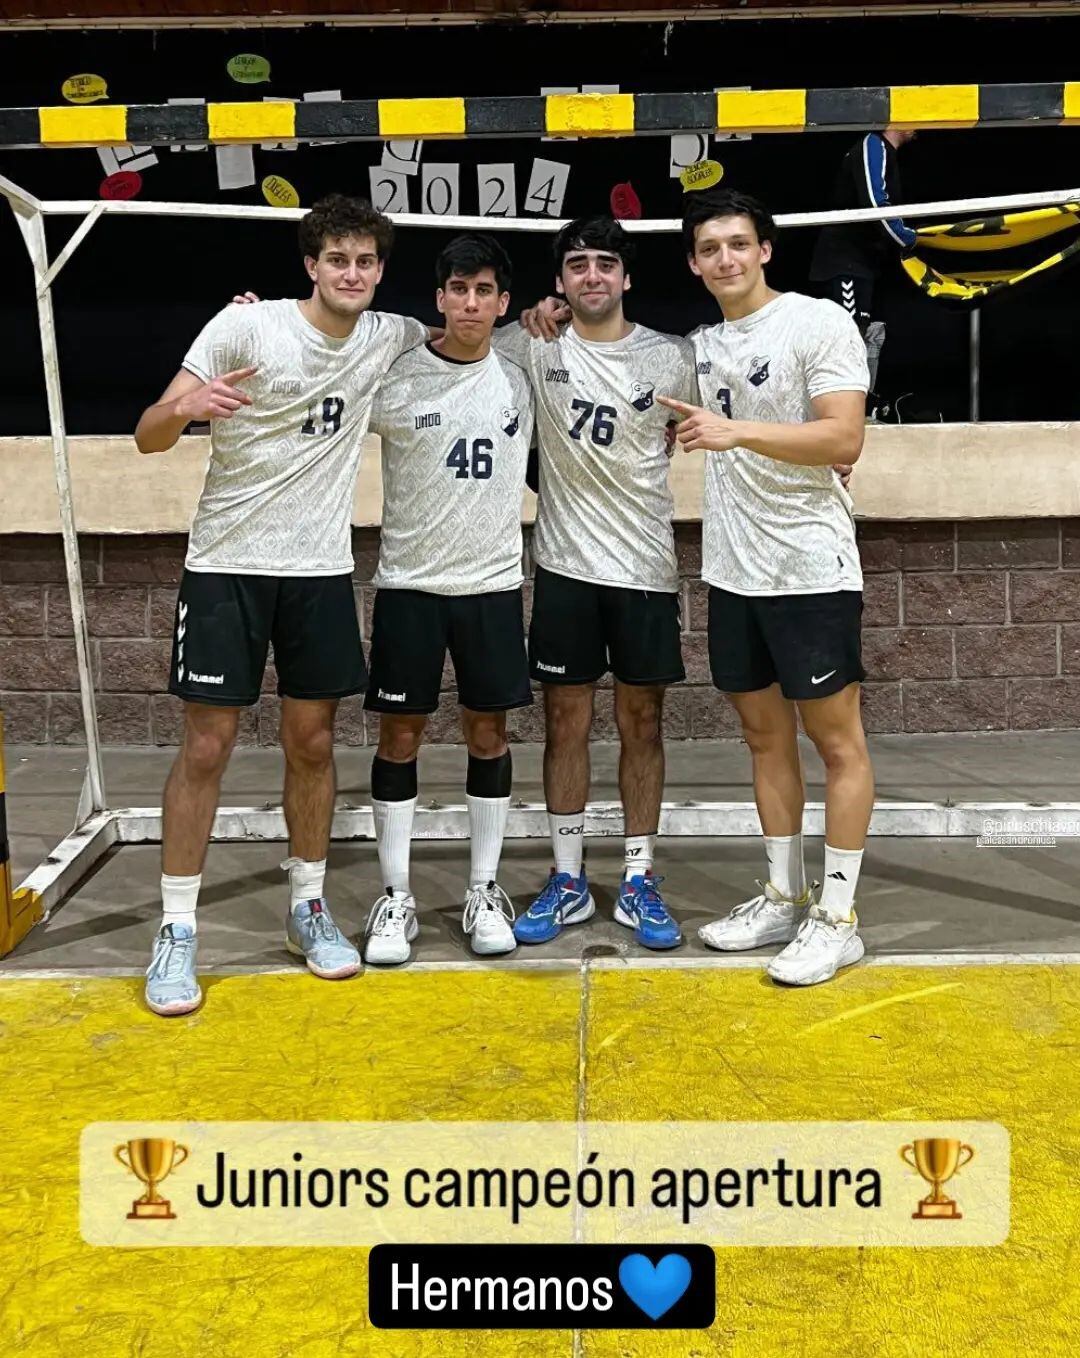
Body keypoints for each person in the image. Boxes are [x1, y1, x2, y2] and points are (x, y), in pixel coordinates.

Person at [134, 194, 431, 1016]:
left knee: (312, 740)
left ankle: (307, 905)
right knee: (207, 745)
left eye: (367, 261)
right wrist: (183, 412)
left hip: (319, 572)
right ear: (311, 265)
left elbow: (465, 331)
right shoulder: (245, 330)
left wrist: (544, 316)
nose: (353, 274)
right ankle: (178, 928)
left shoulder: (386, 334)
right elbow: (146, 433)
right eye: (338, 259)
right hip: (227, 564)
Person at [661, 189, 872, 987]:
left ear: (765, 250)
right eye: (709, 247)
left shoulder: (817, 322)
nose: (725, 258)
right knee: (763, 738)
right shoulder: (701, 344)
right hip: (734, 571)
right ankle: (785, 894)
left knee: (836, 742)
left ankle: (838, 919)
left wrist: (736, 429)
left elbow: (843, 435)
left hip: (810, 568)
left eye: (738, 243)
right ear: (692, 261)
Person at [493, 216, 698, 952]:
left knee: (642, 723)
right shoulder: (530, 343)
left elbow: (736, 411)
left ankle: (640, 876)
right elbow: (444, 337)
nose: (591, 276)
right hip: (564, 568)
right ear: (559, 282)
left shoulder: (672, 358)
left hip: (644, 568)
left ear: (627, 278)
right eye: (576, 264)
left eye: (605, 263)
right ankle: (570, 876)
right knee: (565, 724)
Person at [360, 233, 535, 965]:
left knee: (488, 735)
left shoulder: (521, 376)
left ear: (503, 303)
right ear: (439, 299)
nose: (470, 302)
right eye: (457, 289)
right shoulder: (394, 376)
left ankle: (484, 887)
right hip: (409, 585)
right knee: (399, 738)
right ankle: (395, 896)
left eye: (484, 290)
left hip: (491, 586)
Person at [809, 127, 917, 395]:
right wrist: (907, 237)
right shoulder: (873, 144)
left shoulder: (884, 151)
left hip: (865, 261)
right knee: (847, 335)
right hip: (843, 261)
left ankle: (859, 409)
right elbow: (874, 201)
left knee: (867, 334)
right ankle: (839, 412)